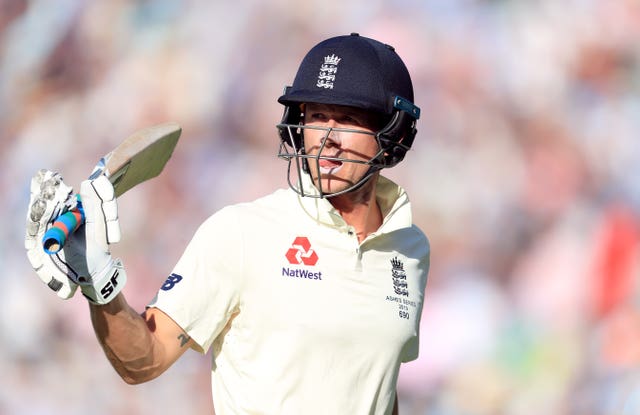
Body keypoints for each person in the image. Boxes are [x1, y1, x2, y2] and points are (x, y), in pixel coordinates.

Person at [25, 33, 430, 415]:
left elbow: (377, 383)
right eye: (316, 116)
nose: (326, 138)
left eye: (347, 119)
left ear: (393, 131)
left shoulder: (409, 251)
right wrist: (102, 290)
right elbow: (144, 360)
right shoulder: (241, 232)